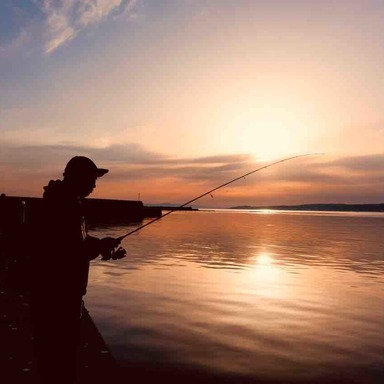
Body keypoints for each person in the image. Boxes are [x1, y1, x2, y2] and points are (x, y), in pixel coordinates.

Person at [31, 156, 126, 384]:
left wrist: (102, 244)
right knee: (59, 362)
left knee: (58, 359)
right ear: (77, 178)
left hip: (63, 295)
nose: (95, 186)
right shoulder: (63, 206)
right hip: (58, 297)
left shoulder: (67, 202)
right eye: (92, 179)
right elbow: (70, 251)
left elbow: (78, 243)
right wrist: (100, 246)